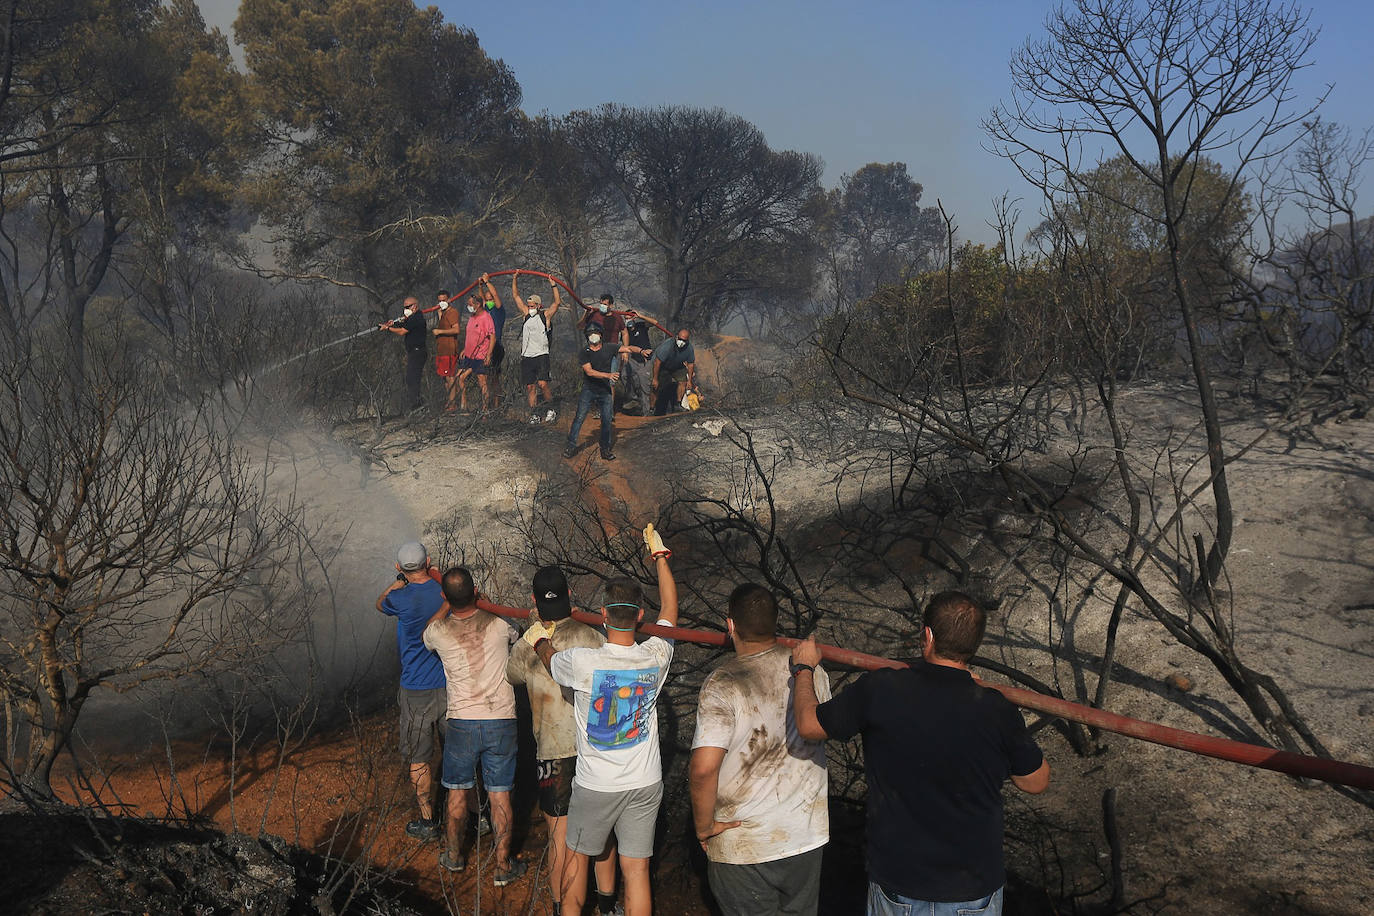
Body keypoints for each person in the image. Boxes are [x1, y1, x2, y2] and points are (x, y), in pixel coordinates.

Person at [791, 591, 1051, 916]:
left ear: (926, 635)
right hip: (972, 888)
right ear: (974, 645)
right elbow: (1036, 781)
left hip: (900, 883)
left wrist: (803, 669)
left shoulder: (880, 689)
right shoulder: (996, 709)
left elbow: (808, 724)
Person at [523, 525, 679, 916]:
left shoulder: (582, 662)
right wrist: (661, 559)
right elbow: (671, 613)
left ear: (605, 615)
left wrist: (539, 639)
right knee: (637, 870)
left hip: (595, 784)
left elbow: (549, 660)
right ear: (640, 615)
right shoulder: (656, 655)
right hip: (644, 782)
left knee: (577, 861)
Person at [689, 583, 831, 916]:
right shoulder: (810, 673)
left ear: (730, 626)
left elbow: (703, 768)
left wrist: (703, 826)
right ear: (775, 622)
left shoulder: (724, 681)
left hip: (745, 844)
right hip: (805, 836)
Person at [506, 566, 623, 916]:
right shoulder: (593, 638)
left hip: (552, 753)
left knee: (560, 836)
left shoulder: (529, 645)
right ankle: (606, 904)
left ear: (533, 600)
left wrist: (532, 631)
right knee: (603, 831)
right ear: (570, 593)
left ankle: (561, 907)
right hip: (592, 751)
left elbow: (510, 676)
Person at [422, 567, 527, 886]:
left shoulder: (439, 632)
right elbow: (516, 630)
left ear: (444, 597)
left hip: (462, 723)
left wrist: (445, 603)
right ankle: (503, 866)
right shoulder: (498, 624)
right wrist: (486, 601)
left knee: (456, 791)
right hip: (501, 720)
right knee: (500, 795)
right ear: (475, 591)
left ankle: (454, 857)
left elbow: (427, 632)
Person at [375, 541, 446, 841]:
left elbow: (380, 602)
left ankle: (428, 820)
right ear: (428, 561)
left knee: (419, 756)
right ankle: (473, 815)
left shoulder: (400, 598)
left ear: (399, 567)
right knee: (457, 751)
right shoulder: (445, 592)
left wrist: (398, 580)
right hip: (448, 684)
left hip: (416, 687)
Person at [563, 323, 628, 461]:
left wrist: (641, 351)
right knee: (579, 418)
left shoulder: (609, 347)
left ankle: (605, 449)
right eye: (590, 333)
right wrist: (608, 376)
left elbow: (626, 348)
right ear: (587, 336)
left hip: (605, 391)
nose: (593, 336)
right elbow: (589, 372)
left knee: (606, 420)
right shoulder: (584, 352)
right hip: (589, 389)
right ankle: (570, 446)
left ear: (601, 334)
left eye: (596, 332)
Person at [513, 271, 561, 424]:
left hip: (541, 355)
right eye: (529, 306)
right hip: (527, 356)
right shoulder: (526, 315)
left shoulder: (544, 316)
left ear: (538, 306)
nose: (530, 308)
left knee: (543, 383)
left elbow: (557, 303)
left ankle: (551, 410)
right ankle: (534, 413)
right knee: (530, 387)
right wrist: (514, 278)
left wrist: (553, 284)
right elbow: (516, 297)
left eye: (533, 306)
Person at [379, 296, 428, 412]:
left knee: (412, 379)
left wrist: (387, 329)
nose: (405, 309)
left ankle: (418, 406)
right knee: (411, 379)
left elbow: (402, 331)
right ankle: (417, 404)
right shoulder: (411, 318)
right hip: (412, 352)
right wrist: (393, 324)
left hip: (418, 352)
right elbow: (403, 324)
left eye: (407, 307)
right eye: (404, 307)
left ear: (414, 306)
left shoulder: (416, 318)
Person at [457, 280, 496, 411]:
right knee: (461, 377)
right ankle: (463, 405)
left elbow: (492, 337)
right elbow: (470, 335)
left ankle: (485, 409)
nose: (469, 307)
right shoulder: (472, 317)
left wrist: (488, 355)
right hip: (469, 354)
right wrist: (464, 349)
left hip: (480, 355)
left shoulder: (486, 317)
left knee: (482, 381)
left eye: (470, 304)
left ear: (478, 305)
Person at [650, 329, 696, 416]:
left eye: (684, 340)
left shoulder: (689, 348)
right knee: (655, 386)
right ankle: (652, 408)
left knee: (683, 381)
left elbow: (690, 364)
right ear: (676, 337)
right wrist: (655, 379)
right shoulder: (667, 346)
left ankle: (678, 404)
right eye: (680, 339)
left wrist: (689, 380)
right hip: (663, 366)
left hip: (677, 366)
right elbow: (657, 362)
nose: (681, 342)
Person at [432, 289, 462, 412]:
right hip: (441, 350)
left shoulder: (453, 312)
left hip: (449, 350)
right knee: (444, 378)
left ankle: (452, 403)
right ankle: (449, 402)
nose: (442, 303)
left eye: (444, 300)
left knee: (450, 377)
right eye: (440, 301)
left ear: (449, 299)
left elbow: (456, 330)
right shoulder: (442, 313)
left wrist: (440, 331)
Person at [621, 312, 657, 415]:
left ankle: (647, 412)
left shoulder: (641, 326)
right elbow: (625, 346)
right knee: (624, 375)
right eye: (626, 318)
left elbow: (654, 322)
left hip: (646, 359)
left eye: (629, 318)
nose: (628, 320)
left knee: (644, 384)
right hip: (633, 358)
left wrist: (640, 316)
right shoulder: (624, 332)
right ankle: (633, 398)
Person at [483, 273, 507, 406]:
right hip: (485, 348)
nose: (489, 301)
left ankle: (497, 404)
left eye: (490, 299)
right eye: (487, 300)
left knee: (494, 378)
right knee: (485, 378)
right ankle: (487, 405)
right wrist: (481, 286)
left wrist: (487, 282)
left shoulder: (499, 310)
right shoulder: (486, 310)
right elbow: (481, 299)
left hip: (496, 346)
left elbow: (495, 296)